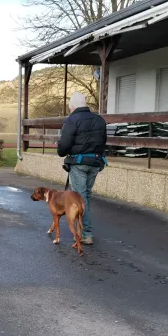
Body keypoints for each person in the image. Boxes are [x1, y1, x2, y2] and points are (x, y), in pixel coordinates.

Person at [57, 92, 107, 245]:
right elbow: (103, 141)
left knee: (80, 198)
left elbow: (63, 146)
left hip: (79, 163)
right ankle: (84, 229)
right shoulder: (99, 120)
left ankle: (86, 233)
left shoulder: (72, 120)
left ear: (72, 107)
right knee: (86, 196)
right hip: (95, 162)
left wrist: (60, 149)